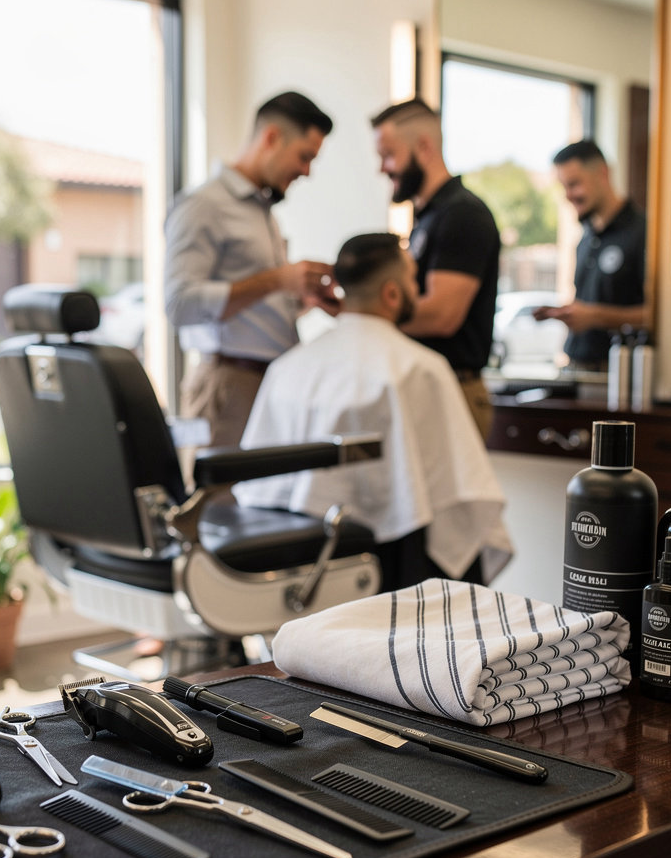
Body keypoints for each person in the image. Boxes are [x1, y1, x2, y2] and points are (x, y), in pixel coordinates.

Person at [234, 232, 512, 590]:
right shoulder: (418, 368)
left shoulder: (287, 366)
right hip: (393, 558)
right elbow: (456, 492)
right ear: (392, 293)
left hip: (293, 553)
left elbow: (258, 484)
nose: (416, 288)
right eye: (413, 279)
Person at [164, 91, 339, 448]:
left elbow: (253, 309)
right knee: (219, 503)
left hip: (270, 384)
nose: (306, 172)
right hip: (228, 389)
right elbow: (179, 304)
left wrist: (302, 298)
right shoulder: (203, 206)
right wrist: (278, 279)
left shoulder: (262, 212)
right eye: (304, 157)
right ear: (272, 138)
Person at [370, 97, 501, 441]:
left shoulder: (463, 215)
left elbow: (443, 315)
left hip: (454, 392)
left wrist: (363, 313)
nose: (382, 168)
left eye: (388, 155)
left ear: (424, 147)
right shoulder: (427, 217)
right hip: (427, 388)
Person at [534, 140, 649, 367]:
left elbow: (657, 315)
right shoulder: (586, 239)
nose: (568, 195)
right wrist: (568, 313)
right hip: (576, 366)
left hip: (617, 372)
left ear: (602, 174)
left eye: (574, 184)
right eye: (564, 187)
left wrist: (595, 316)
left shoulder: (642, 233)